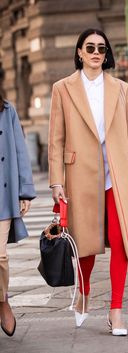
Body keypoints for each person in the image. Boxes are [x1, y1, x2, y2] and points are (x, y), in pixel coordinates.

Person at [48, 28, 128, 336]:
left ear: (106, 54)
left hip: (117, 176)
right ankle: (84, 293)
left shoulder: (121, 88)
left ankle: (116, 311)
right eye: (89, 47)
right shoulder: (62, 88)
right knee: (86, 245)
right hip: (79, 176)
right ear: (79, 52)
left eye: (101, 48)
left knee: (121, 243)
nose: (95, 52)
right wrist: (55, 182)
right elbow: (55, 140)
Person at [0, 95, 36, 337]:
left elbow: (20, 152)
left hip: (2, 195)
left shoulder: (6, 110)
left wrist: (24, 191)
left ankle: (2, 301)